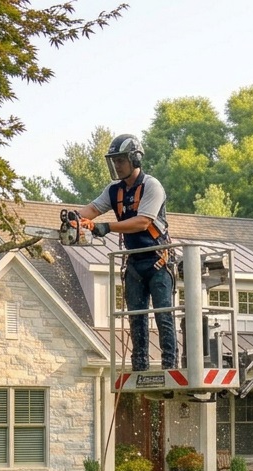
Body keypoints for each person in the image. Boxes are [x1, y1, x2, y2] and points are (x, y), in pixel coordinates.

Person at [71, 133, 176, 371]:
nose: (117, 165)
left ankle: (170, 365)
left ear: (135, 159)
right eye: (114, 161)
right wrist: (76, 219)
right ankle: (140, 366)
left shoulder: (152, 186)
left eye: (121, 160)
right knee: (136, 317)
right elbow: (93, 209)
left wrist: (105, 227)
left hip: (158, 259)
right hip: (134, 261)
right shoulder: (114, 191)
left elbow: (142, 222)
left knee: (163, 315)